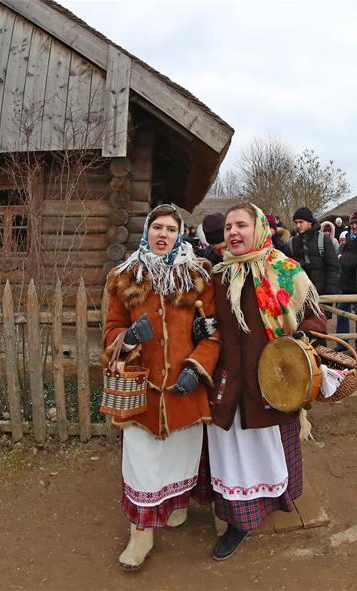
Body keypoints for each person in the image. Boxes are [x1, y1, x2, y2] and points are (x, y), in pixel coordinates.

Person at [103, 204, 221, 570]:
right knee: (141, 464)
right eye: (157, 227)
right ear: (147, 231)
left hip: (186, 391)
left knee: (180, 458)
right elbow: (109, 334)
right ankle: (140, 536)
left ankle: (177, 506)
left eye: (171, 229)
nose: (163, 234)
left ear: (180, 234)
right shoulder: (125, 278)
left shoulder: (198, 276)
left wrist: (198, 367)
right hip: (143, 392)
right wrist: (127, 338)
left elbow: (213, 334)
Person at [208, 202, 327, 560]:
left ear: (259, 228)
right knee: (238, 457)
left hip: (273, 384)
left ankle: (276, 500)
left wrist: (304, 341)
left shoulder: (286, 272)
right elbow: (206, 323)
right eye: (229, 227)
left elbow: (313, 317)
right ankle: (239, 521)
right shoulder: (217, 277)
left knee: (268, 449)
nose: (233, 233)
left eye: (241, 225)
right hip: (229, 384)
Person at [336, 211, 357, 357]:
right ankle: (342, 343)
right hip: (346, 282)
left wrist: (344, 259)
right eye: (352, 223)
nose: (354, 226)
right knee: (342, 313)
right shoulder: (348, 236)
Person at [290, 207, 340, 295]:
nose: (298, 225)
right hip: (300, 295)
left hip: (321, 295)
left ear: (309, 222)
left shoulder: (323, 239)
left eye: (301, 222)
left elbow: (333, 268)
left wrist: (329, 294)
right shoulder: (292, 242)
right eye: (296, 222)